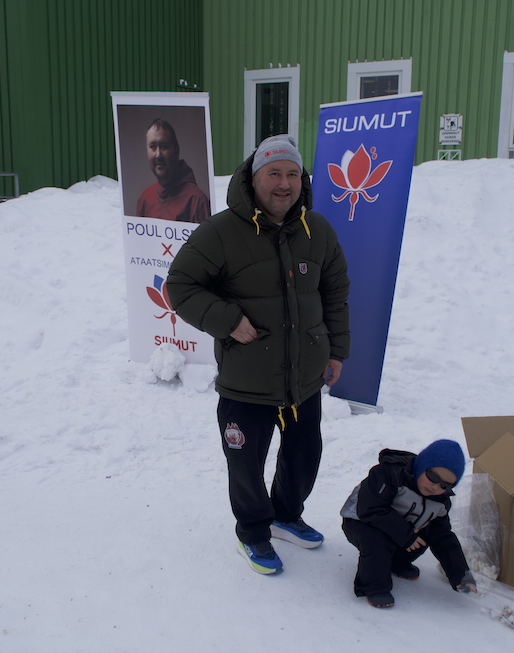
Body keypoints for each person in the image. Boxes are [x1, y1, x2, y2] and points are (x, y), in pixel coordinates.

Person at [166, 134, 351, 575]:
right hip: (247, 382)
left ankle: (286, 514)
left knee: (304, 456)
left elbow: (335, 294)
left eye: (291, 174)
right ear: (254, 178)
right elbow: (181, 284)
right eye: (274, 174)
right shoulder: (221, 231)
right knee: (246, 464)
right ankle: (252, 531)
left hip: (304, 377)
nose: (284, 184)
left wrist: (337, 351)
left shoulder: (317, 230)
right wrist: (226, 320)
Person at [340, 439, 477, 608]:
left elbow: (443, 538)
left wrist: (460, 574)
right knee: (377, 541)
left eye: (445, 485)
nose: (435, 487)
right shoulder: (389, 474)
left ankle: (396, 563)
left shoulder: (440, 502)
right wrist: (406, 535)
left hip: (401, 526)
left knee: (428, 533)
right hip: (360, 520)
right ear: (422, 465)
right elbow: (371, 508)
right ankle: (373, 587)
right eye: (433, 477)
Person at [135, 118, 211, 223]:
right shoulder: (144, 199)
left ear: (176, 150)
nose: (158, 155)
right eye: (152, 147)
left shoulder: (197, 201)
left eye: (164, 147)